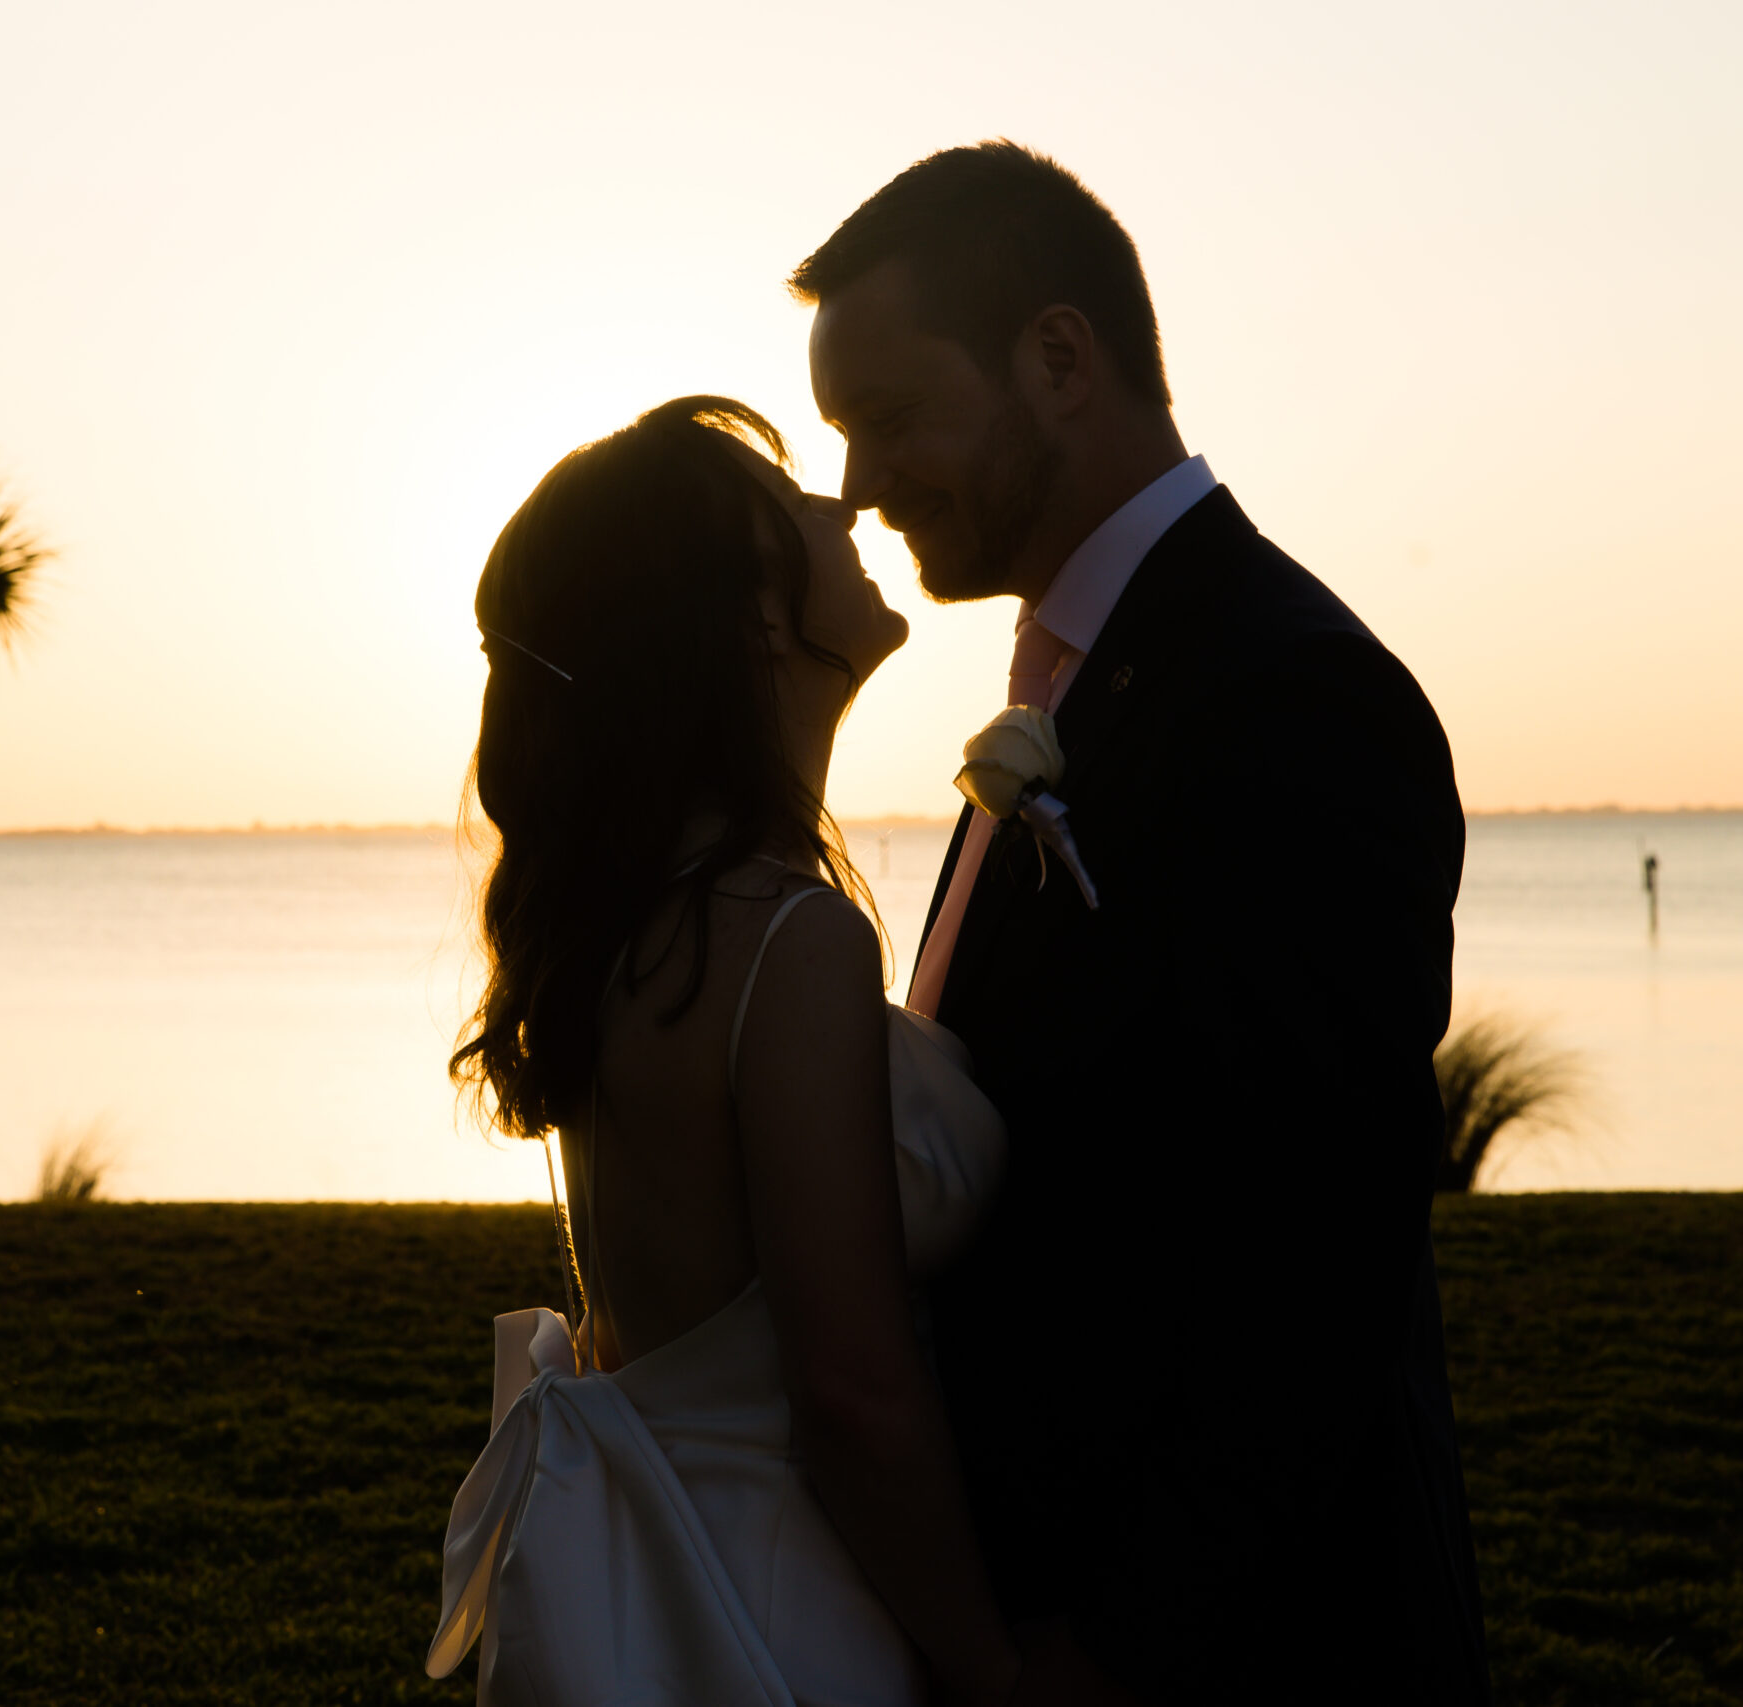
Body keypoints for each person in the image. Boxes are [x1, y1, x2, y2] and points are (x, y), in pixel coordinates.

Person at [794, 141, 1491, 1704]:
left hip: (1250, 1652)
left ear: (1058, 359)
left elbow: (1320, 1249)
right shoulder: (1071, 681)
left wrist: (1118, 1648)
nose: (857, 486)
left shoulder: (1289, 695)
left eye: (891, 417)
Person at [431, 397, 1016, 1705]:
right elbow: (856, 1393)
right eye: (790, 505)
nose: (842, 507)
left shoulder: (642, 922)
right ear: (748, 618)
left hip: (668, 1599)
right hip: (786, 1624)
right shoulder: (779, 938)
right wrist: (995, 1668)